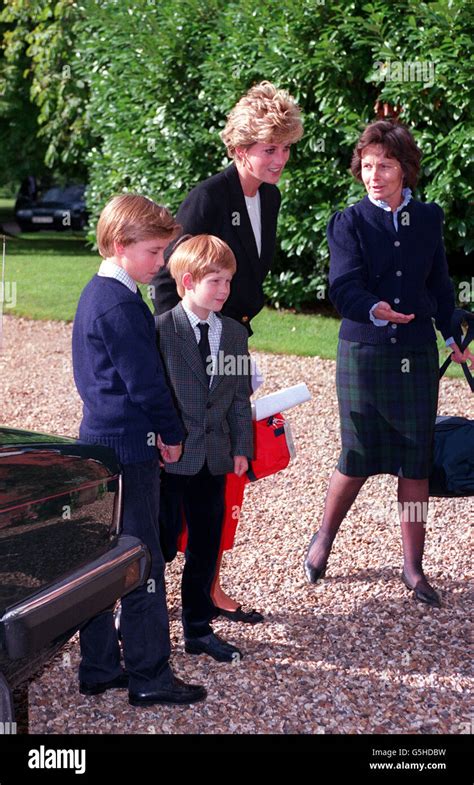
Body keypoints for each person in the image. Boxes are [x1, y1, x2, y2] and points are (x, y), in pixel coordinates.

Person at [152, 81, 303, 622]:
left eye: (285, 148)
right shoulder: (209, 197)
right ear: (241, 149)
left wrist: (233, 347)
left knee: (231, 460)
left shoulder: (272, 195)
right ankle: (150, 586)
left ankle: (207, 587)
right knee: (181, 474)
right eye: (270, 148)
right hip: (193, 345)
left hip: (235, 339)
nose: (280, 159)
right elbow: (169, 281)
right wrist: (190, 345)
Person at [303, 120, 467, 608]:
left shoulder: (429, 219)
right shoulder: (349, 222)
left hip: (415, 355)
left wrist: (452, 333)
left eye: (386, 166)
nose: (375, 175)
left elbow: (439, 287)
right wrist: (375, 309)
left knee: (415, 462)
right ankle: (324, 538)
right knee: (357, 455)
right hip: (365, 354)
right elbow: (343, 286)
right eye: (368, 165)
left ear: (405, 170)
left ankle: (413, 567)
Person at [72, 194, 206, 707]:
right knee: (140, 560)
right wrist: (171, 434)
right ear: (121, 245)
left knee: (105, 560)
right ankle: (149, 674)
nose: (162, 263)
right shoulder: (121, 304)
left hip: (101, 442)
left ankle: (101, 666)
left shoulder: (98, 292)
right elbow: (146, 386)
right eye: (154, 252)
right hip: (129, 447)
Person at [156, 234, 253, 662]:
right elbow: (153, 393)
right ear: (188, 281)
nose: (224, 290)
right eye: (215, 281)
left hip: (213, 459)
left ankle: (198, 627)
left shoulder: (232, 334)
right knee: (159, 543)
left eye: (229, 282)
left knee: (206, 544)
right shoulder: (161, 330)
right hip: (170, 460)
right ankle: (140, 620)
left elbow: (237, 397)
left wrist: (241, 446)